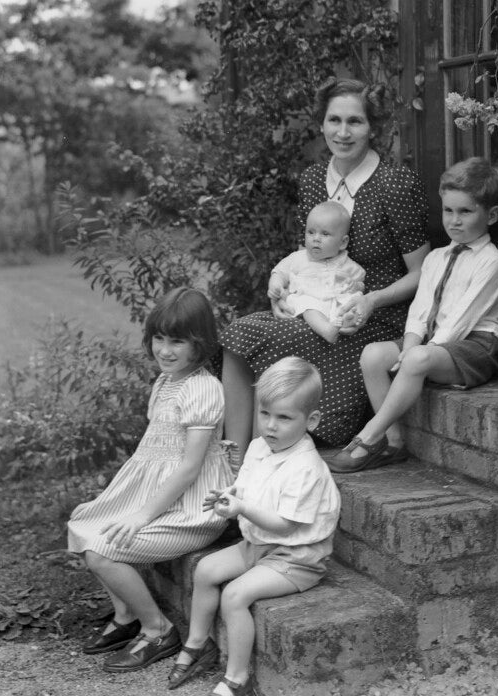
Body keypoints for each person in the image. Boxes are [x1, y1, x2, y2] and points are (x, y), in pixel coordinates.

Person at [221, 77, 430, 458]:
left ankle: (262, 459)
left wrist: (372, 301)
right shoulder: (313, 181)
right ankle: (236, 456)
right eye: (334, 120)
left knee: (278, 340)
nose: (343, 132)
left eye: (355, 122)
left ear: (373, 127)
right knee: (239, 334)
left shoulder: (394, 183)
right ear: (321, 124)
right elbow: (306, 257)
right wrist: (281, 297)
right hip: (313, 305)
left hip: (371, 319)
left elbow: (423, 272)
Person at [67, 288, 234, 673]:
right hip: (165, 493)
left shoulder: (203, 388)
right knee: (83, 522)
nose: (165, 350)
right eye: (159, 338)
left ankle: (158, 629)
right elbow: (153, 455)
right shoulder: (165, 382)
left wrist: (141, 516)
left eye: (178, 341)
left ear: (201, 343)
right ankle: (126, 615)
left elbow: (189, 467)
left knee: (101, 551)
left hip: (194, 507)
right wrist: (117, 501)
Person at [167, 357, 341, 696]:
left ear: (312, 419)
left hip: (296, 557)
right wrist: (229, 495)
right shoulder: (261, 447)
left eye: (284, 417)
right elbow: (246, 486)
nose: (271, 426)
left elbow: (285, 526)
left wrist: (241, 508)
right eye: (265, 414)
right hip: (259, 544)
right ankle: (198, 642)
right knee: (205, 569)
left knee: (234, 595)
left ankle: (237, 677)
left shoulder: (306, 466)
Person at [328, 157, 498, 473]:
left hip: (476, 346)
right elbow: (421, 310)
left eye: (465, 211)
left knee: (415, 360)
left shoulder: (492, 263)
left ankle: (369, 435)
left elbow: (461, 321)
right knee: (373, 355)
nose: (454, 220)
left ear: (491, 215)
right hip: (435, 341)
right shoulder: (437, 258)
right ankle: (393, 440)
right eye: (448, 211)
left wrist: (421, 352)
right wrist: (411, 344)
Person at [268, 201, 365, 344]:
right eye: (311, 232)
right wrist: (275, 286)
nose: (316, 238)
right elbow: (279, 273)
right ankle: (327, 331)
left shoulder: (348, 264)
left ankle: (346, 320)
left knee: (350, 302)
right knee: (309, 307)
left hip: (335, 303)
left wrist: (356, 287)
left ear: (343, 242)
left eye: (325, 234)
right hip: (309, 302)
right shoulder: (298, 258)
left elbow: (360, 283)